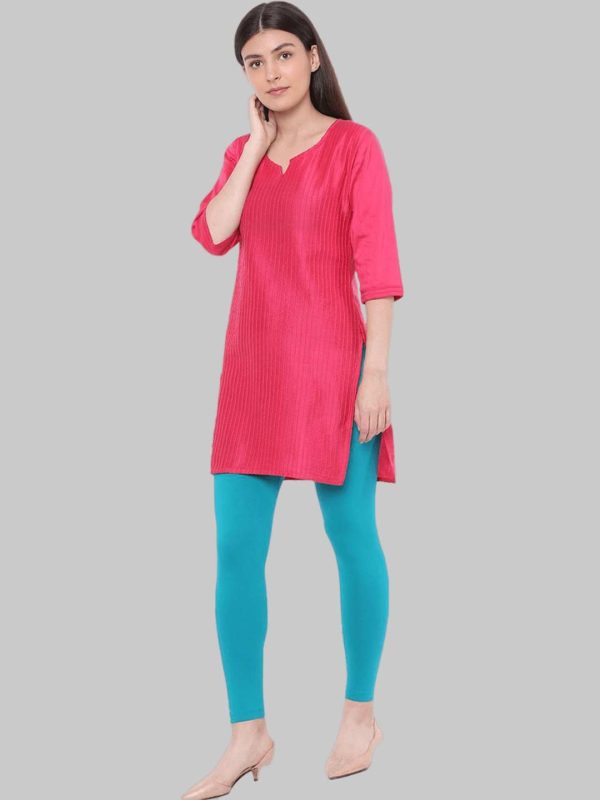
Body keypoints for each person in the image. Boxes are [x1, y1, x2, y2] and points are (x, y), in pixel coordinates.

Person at [182, 3, 404, 797]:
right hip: (253, 375)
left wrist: (376, 372)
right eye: (254, 62)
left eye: (283, 54)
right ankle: (249, 733)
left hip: (336, 369)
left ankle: (359, 713)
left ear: (313, 57)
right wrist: (254, 149)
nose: (271, 72)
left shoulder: (355, 146)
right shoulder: (242, 152)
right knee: (235, 551)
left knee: (352, 538)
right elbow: (214, 233)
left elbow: (379, 268)